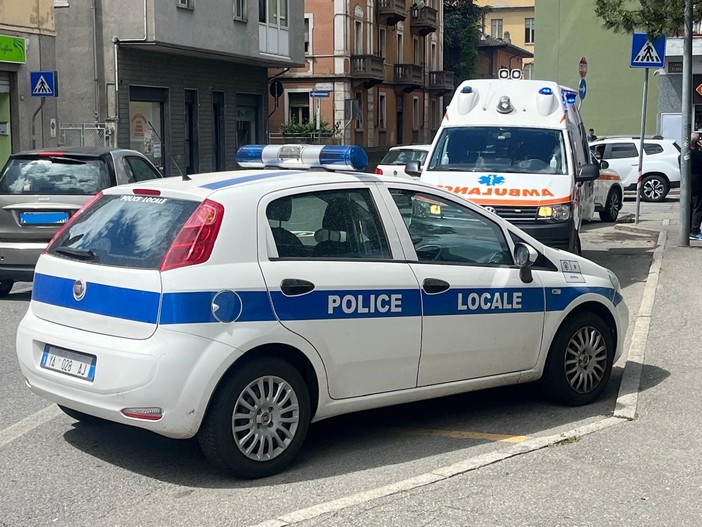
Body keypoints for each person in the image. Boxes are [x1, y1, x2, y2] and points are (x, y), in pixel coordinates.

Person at [689, 132, 702, 240]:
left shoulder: (684, 154)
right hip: (698, 185)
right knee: (698, 208)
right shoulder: (697, 154)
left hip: (688, 185)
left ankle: (689, 230)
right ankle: (695, 231)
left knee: (690, 208)